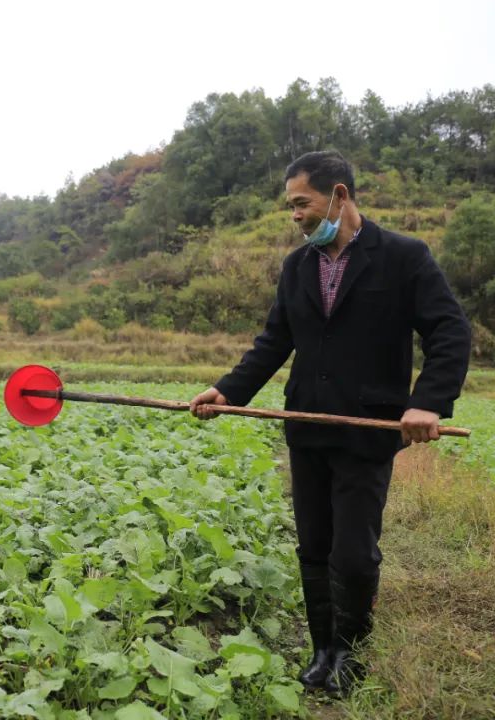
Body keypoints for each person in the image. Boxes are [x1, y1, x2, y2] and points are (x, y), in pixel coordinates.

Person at [189, 150, 471, 695]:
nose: (294, 214)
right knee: (313, 544)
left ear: (339, 195)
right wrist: (229, 390)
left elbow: (449, 333)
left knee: (353, 551)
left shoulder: (403, 257)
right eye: (290, 205)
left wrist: (427, 401)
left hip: (368, 429)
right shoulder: (298, 267)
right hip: (307, 424)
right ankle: (322, 649)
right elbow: (275, 340)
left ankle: (351, 653)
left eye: (303, 203)